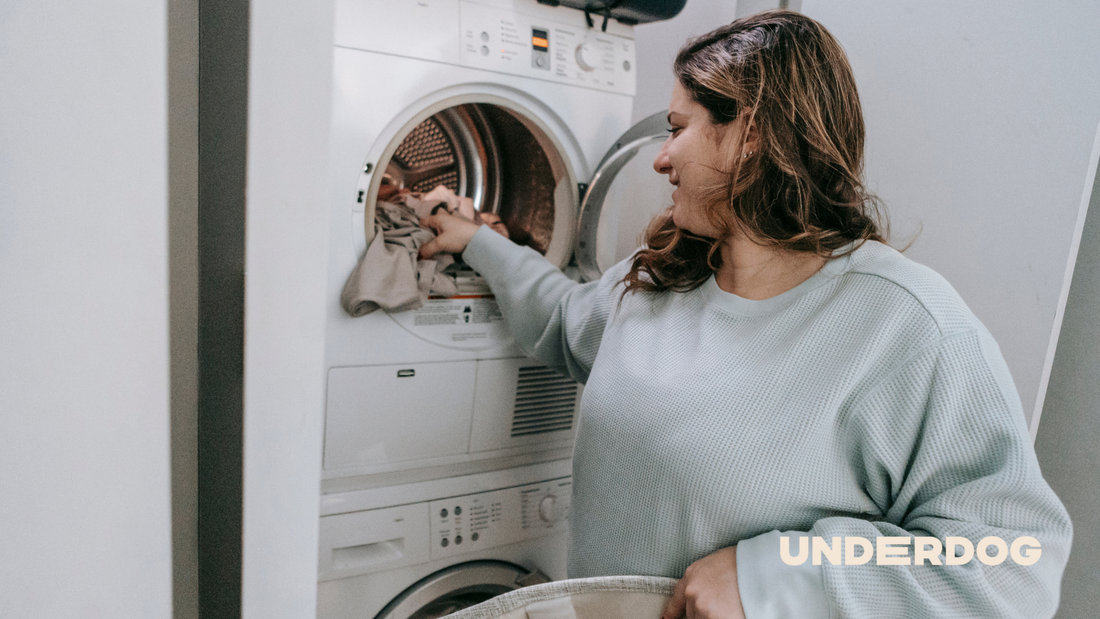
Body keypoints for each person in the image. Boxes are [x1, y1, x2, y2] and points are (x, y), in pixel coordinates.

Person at [419, 11, 1071, 619]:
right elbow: (562, 318)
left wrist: (776, 575)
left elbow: (1013, 559)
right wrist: (477, 240)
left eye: (677, 128)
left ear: (751, 135)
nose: (661, 157)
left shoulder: (905, 326)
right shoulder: (661, 277)